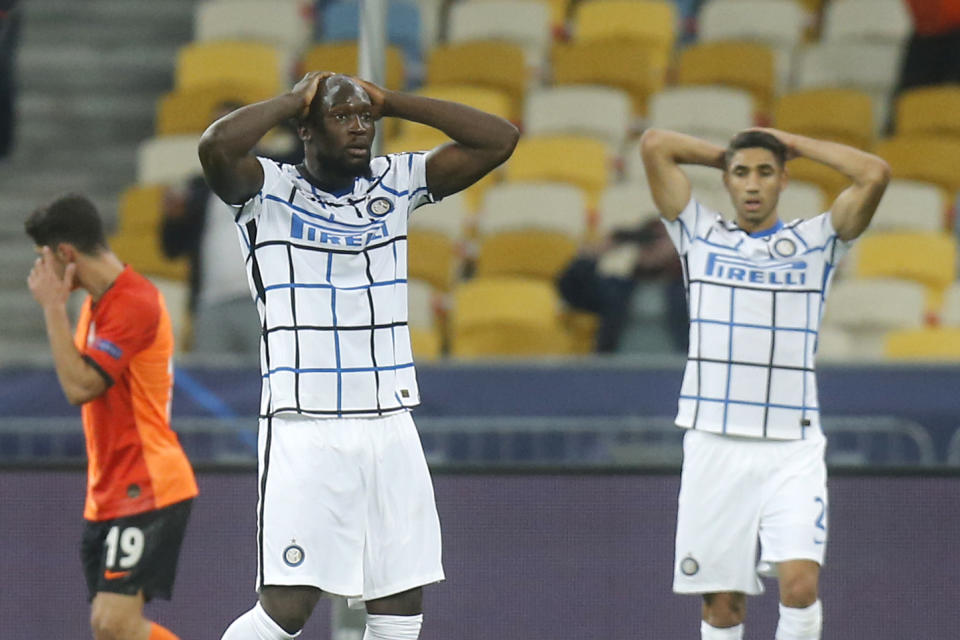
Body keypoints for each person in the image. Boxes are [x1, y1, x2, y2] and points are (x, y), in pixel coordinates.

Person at [198, 72, 518, 640]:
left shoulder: (395, 183)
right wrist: (291, 99)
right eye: (342, 117)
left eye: (365, 118)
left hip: (389, 420)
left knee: (399, 608)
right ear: (306, 128)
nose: (359, 128)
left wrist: (393, 100)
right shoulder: (264, 191)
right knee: (287, 610)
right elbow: (216, 146)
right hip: (305, 421)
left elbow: (499, 139)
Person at [639, 127, 890, 640]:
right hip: (714, 442)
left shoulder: (817, 242)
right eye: (741, 174)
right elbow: (655, 144)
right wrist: (731, 155)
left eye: (765, 172)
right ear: (727, 182)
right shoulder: (699, 234)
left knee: (799, 585)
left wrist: (792, 142)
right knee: (722, 604)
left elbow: (874, 174)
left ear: (784, 179)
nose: (752, 185)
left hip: (791, 447)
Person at [25, 194, 198, 640]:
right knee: (110, 631)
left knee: (114, 621)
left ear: (66, 254)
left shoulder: (136, 301)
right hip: (107, 490)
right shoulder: (92, 308)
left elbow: (80, 386)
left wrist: (50, 308)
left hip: (149, 484)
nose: (41, 272)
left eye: (44, 258)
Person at [557, 217, 687, 353]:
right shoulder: (618, 289)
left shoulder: (690, 291)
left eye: (659, 239)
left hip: (677, 369)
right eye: (646, 239)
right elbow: (572, 289)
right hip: (618, 369)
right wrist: (599, 250)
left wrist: (682, 252)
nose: (650, 245)